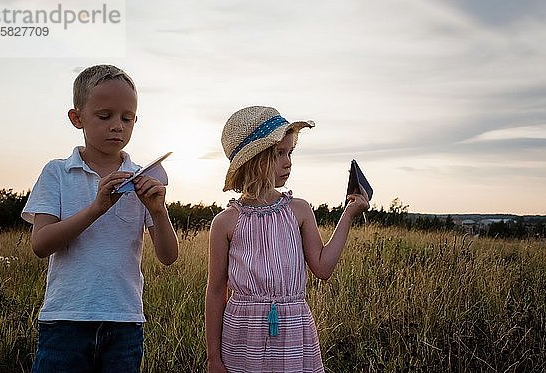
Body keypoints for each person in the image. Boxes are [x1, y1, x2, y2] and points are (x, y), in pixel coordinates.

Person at [21, 64, 179, 372]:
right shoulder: (57, 172)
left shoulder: (141, 179)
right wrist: (96, 208)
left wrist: (159, 211)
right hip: (66, 319)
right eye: (104, 116)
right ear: (77, 118)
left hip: (124, 321)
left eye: (127, 118)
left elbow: (169, 257)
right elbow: (40, 245)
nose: (117, 126)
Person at [205, 106, 369, 372]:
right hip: (242, 338)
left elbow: (323, 267)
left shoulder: (299, 210)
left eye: (290, 152)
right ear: (253, 159)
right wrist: (214, 358)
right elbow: (215, 291)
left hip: (293, 332)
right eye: (279, 153)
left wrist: (348, 215)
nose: (288, 161)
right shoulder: (225, 223)